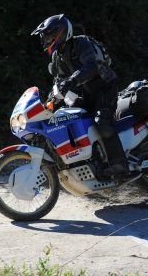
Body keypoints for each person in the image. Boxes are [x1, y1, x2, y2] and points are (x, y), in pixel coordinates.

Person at [31, 14, 129, 178]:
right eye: (45, 36)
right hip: (87, 94)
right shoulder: (57, 57)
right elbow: (58, 84)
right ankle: (92, 161)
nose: (46, 40)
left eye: (49, 35)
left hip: (105, 88)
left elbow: (91, 67)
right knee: (69, 119)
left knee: (101, 121)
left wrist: (72, 80)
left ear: (60, 33)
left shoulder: (81, 43)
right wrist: (48, 101)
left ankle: (119, 164)